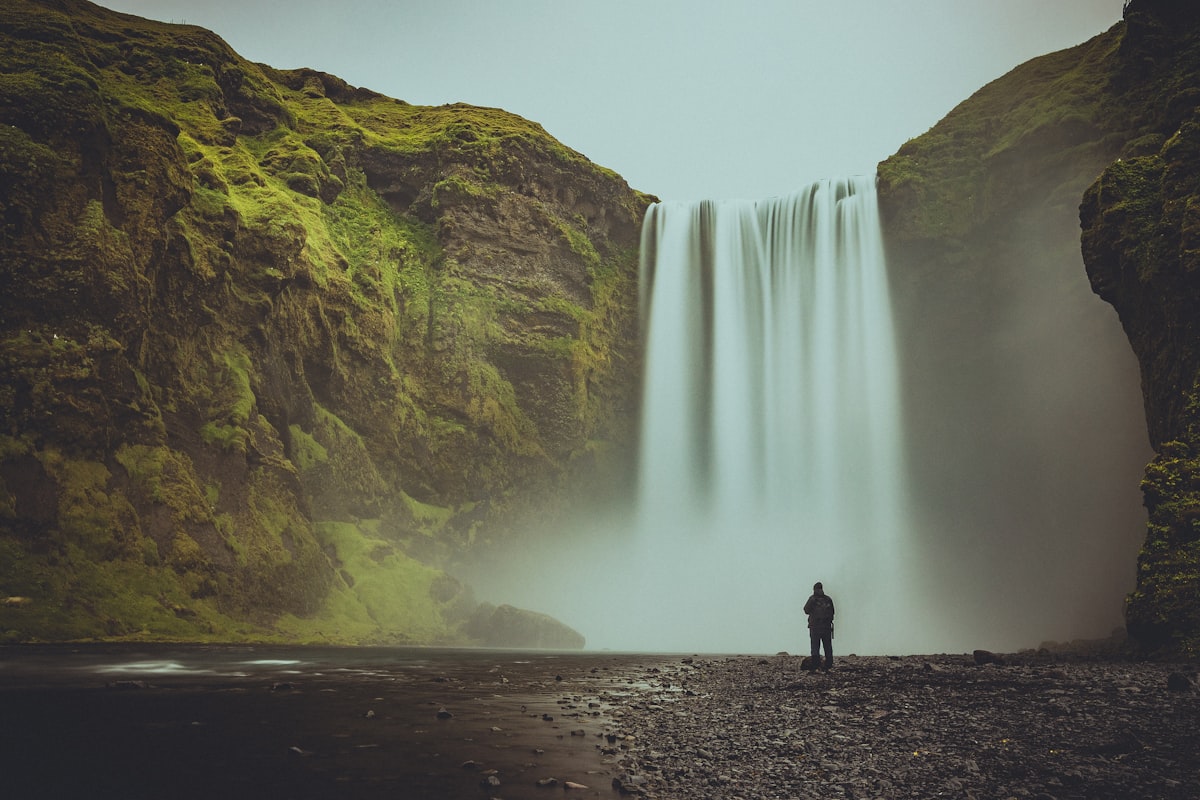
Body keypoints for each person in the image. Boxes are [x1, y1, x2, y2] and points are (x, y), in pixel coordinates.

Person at [803, 581, 835, 672]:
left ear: (814, 589)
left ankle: (815, 666)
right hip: (826, 627)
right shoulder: (828, 599)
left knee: (815, 647)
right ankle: (828, 666)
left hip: (815, 627)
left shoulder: (812, 599)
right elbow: (833, 612)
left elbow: (806, 610)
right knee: (827, 646)